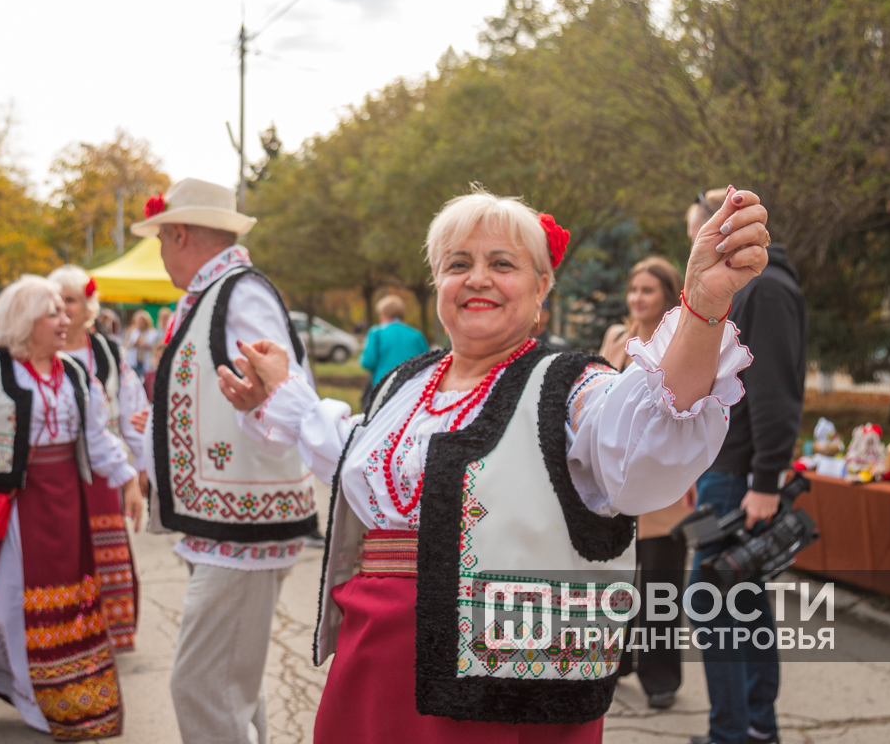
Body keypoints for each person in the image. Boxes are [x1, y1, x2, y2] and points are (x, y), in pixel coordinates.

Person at [217, 186, 768, 743]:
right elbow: (344, 447)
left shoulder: (569, 384)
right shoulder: (404, 387)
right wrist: (279, 392)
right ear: (438, 283)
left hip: (503, 692)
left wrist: (702, 308)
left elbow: (646, 438)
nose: (477, 278)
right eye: (458, 264)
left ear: (541, 286)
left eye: (502, 264)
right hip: (371, 668)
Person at [131, 178, 317, 744]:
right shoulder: (220, 293)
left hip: (244, 522)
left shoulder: (238, 293)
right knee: (231, 683)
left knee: (202, 685)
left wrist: (265, 398)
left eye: (161, 240)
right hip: (229, 520)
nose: (161, 253)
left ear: (179, 234)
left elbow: (284, 390)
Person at [0, 275, 142, 739]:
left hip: (64, 501)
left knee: (64, 600)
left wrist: (129, 481)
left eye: (65, 312)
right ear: (25, 320)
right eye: (53, 313)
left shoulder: (75, 373)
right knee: (2, 603)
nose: (65, 320)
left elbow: (98, 439)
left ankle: (52, 696)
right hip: (10, 504)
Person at [684, 188, 806, 744]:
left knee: (712, 602)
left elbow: (775, 395)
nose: (697, 247)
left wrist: (766, 482)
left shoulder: (766, 290)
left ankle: (732, 732)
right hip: (724, 472)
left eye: (700, 233)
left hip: (740, 481)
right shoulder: (750, 290)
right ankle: (757, 727)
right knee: (744, 602)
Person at [599, 256, 696, 709]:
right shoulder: (616, 338)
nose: (637, 298)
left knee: (660, 584)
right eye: (633, 289)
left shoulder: (680, 341)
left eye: (648, 290)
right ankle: (617, 661)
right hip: (615, 481)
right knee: (614, 580)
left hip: (663, 481)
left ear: (667, 295)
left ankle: (660, 677)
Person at [50, 264, 150, 652]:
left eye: (71, 300)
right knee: (61, 550)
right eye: (57, 302)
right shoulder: (38, 349)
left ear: (88, 305)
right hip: (55, 470)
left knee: (106, 548)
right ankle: (65, 629)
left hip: (103, 467)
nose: (64, 309)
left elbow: (132, 410)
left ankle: (110, 630)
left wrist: (139, 469)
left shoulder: (107, 353)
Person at [359, 295, 429, 393]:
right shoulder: (416, 334)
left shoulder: (376, 333)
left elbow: (368, 362)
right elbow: (427, 361)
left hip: (383, 386)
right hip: (412, 387)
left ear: (383, 314)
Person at [124, 310, 157, 381]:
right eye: (139, 321)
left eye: (142, 321)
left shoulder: (152, 333)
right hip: (134, 361)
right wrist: (134, 343)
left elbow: (155, 347)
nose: (141, 323)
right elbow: (126, 345)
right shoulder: (133, 332)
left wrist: (147, 346)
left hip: (146, 361)